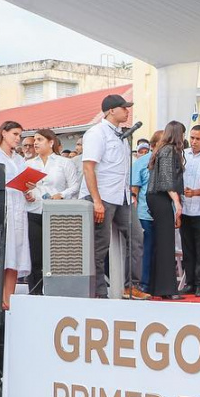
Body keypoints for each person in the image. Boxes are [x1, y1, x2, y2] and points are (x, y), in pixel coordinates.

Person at [80, 94, 136, 298]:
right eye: (124, 107)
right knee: (99, 246)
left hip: (121, 196)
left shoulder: (122, 135)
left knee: (137, 236)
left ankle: (132, 286)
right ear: (112, 110)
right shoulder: (97, 133)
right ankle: (98, 292)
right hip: (102, 196)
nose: (127, 111)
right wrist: (96, 201)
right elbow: (88, 167)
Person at [25, 128, 82, 296]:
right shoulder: (29, 164)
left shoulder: (64, 163)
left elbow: (75, 186)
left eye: (40, 139)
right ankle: (35, 292)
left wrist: (61, 195)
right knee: (35, 256)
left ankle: (59, 292)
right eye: (35, 139)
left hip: (57, 214)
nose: (35, 143)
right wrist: (27, 194)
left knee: (57, 256)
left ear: (51, 142)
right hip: (35, 211)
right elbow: (26, 186)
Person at [0, 121, 32, 309]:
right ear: (4, 133)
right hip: (2, 205)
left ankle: (10, 300)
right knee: (0, 252)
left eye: (19, 135)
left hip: (18, 207)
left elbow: (24, 181)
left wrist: (28, 189)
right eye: (15, 134)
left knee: (16, 252)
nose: (18, 138)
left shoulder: (19, 159)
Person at [146, 122, 186, 300]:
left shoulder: (161, 149)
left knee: (161, 242)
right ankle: (167, 289)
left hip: (156, 197)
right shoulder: (169, 150)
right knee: (166, 242)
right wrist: (177, 203)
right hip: (161, 197)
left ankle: (158, 287)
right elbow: (167, 180)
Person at [178, 125, 200, 296]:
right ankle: (190, 281)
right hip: (185, 208)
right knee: (188, 248)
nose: (194, 142)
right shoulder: (183, 154)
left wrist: (196, 192)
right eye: (192, 138)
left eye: (198, 138)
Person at [132, 129, 161, 296]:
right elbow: (134, 187)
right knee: (146, 249)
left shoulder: (169, 161)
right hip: (145, 213)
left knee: (161, 250)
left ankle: (157, 284)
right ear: (153, 145)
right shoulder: (141, 162)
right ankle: (144, 284)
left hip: (164, 214)